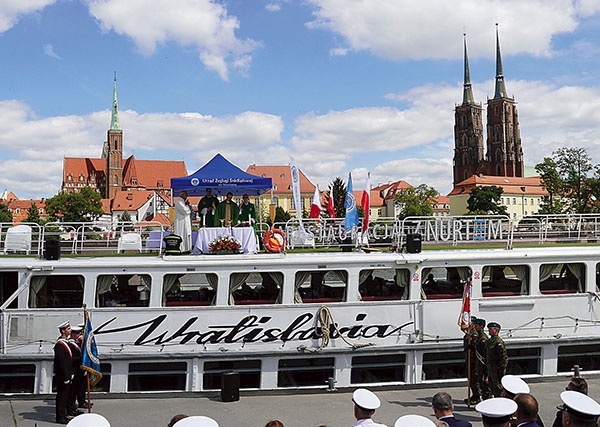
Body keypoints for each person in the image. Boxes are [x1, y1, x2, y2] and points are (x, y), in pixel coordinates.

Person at [54, 321, 75, 424]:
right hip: (62, 377)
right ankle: (60, 417)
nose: (70, 330)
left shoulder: (66, 343)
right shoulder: (60, 344)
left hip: (67, 375)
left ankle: (64, 414)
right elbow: (61, 362)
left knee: (65, 396)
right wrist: (65, 376)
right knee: (62, 396)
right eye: (68, 329)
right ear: (63, 331)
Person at [486, 321, 508, 397]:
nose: (489, 330)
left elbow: (503, 358)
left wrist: (501, 370)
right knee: (491, 386)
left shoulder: (498, 343)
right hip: (491, 368)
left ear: (497, 330)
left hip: (497, 369)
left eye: (491, 329)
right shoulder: (489, 341)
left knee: (498, 388)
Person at [474, 318, 491, 401]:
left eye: (476, 326)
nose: (474, 327)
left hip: (484, 366)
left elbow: (486, 355)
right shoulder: (478, 337)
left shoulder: (483, 339)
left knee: (485, 386)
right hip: (480, 365)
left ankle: (488, 401)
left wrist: (486, 369)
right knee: (481, 384)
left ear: (481, 326)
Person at [463, 317, 479, 405]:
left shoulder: (474, 334)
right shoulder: (468, 333)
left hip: (474, 361)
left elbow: (477, 347)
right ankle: (474, 394)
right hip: (469, 360)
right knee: (471, 379)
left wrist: (471, 347)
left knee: (475, 379)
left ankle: (477, 396)